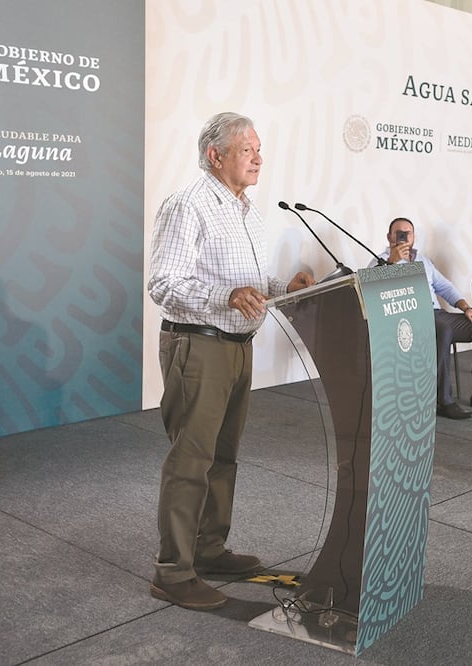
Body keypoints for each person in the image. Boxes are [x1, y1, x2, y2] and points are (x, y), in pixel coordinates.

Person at [147, 112, 315, 611]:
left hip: (238, 346)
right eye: (248, 149)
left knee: (223, 457)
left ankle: (208, 550)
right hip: (198, 346)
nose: (259, 158)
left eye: (259, 149)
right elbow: (163, 284)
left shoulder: (247, 209)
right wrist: (226, 296)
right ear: (215, 155)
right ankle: (173, 572)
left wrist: (285, 288)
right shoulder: (188, 205)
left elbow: (250, 283)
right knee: (191, 460)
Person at [373, 217, 472, 419]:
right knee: (443, 329)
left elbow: (444, 287)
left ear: (413, 237)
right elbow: (373, 290)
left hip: (436, 314)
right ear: (389, 237)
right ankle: (443, 401)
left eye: (408, 233)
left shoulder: (423, 260)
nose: (403, 237)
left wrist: (466, 307)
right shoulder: (380, 261)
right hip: (409, 319)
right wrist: (391, 262)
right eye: (399, 233)